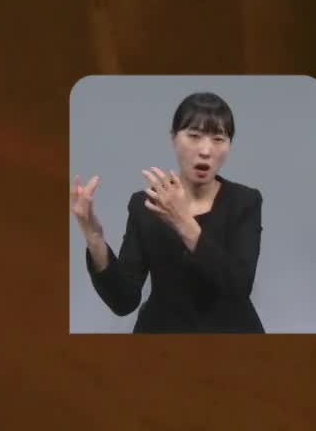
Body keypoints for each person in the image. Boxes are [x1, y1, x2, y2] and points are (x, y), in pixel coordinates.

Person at [70, 91, 266, 333]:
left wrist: (182, 220)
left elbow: (239, 285)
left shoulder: (244, 201)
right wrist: (94, 237)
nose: (206, 150)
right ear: (173, 138)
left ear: (230, 145)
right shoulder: (145, 204)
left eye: (218, 138)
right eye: (194, 136)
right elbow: (124, 301)